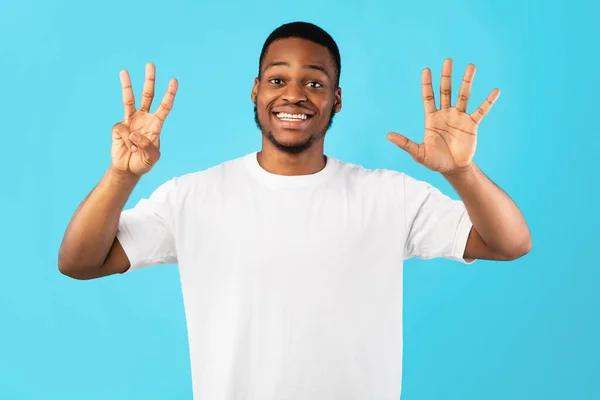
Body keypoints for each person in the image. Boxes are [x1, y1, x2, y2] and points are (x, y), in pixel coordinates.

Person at [58, 21, 531, 400]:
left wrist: (460, 173)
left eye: (315, 82)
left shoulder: (390, 196)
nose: (294, 94)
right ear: (256, 91)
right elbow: (80, 262)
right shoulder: (192, 196)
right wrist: (121, 176)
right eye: (278, 79)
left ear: (336, 100)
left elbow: (509, 243)